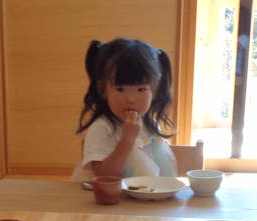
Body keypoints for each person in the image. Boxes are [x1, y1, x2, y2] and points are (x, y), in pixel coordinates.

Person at [70, 38, 177, 181]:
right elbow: (105, 176)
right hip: (103, 199)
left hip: (140, 199)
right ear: (103, 90)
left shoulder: (150, 124)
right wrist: (127, 140)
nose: (131, 99)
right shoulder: (102, 128)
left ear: (155, 91)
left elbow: (167, 169)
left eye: (141, 89)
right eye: (120, 89)